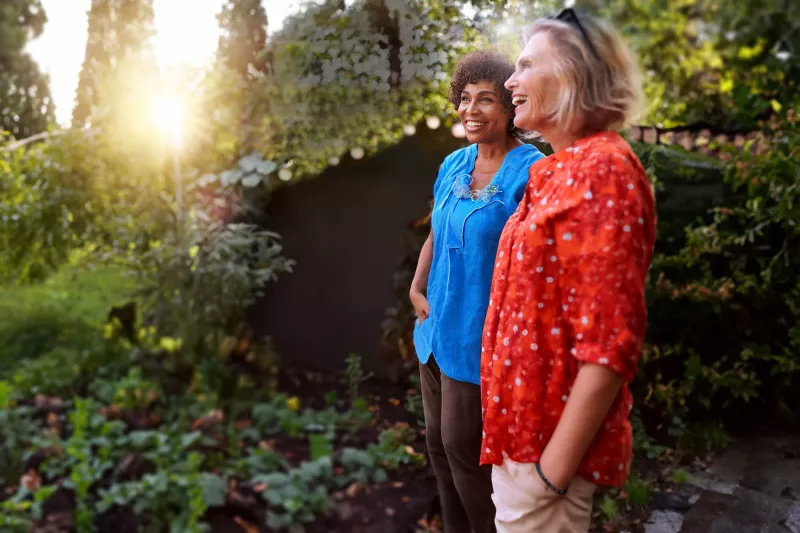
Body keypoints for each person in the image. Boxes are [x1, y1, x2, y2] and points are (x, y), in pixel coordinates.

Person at [480, 9, 657, 533]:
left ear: (574, 73)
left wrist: (550, 473)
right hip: (519, 445)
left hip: (544, 458)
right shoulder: (553, 172)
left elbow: (610, 343)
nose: (510, 80)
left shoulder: (603, 170)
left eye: (526, 64)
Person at [409, 50, 545, 533]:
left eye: (485, 99)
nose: (471, 110)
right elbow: (435, 231)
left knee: (464, 451)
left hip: (479, 343)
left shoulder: (532, 171)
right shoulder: (453, 163)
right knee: (436, 447)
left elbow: (539, 267)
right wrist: (416, 285)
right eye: (465, 99)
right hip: (433, 332)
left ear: (509, 108)